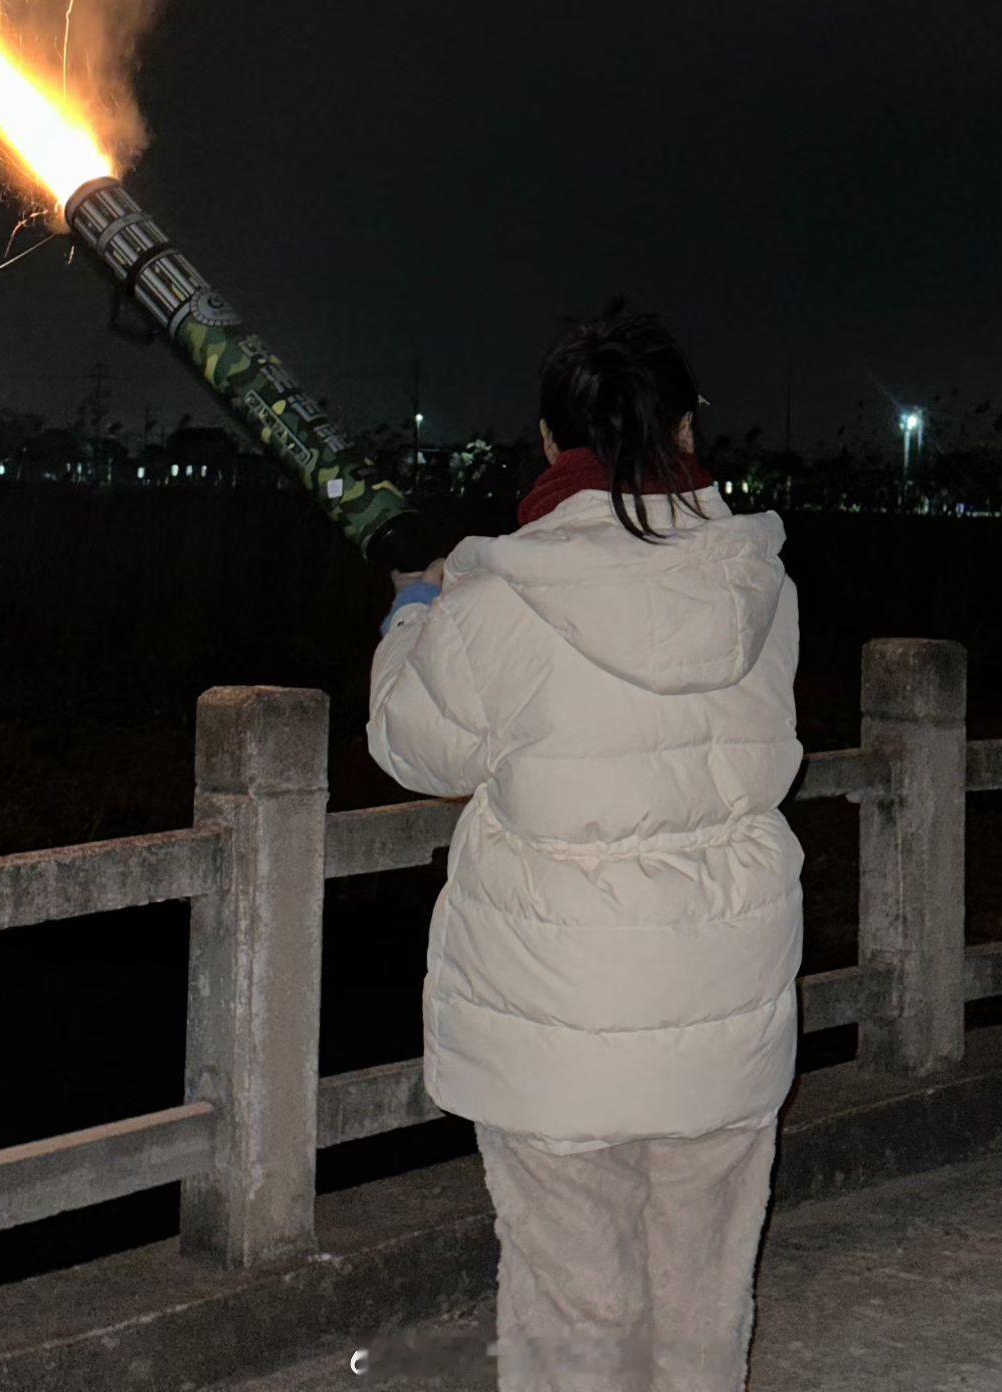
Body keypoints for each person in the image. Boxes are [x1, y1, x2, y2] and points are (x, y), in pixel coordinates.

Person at [367, 299, 803, 1391]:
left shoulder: (503, 599)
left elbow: (412, 747)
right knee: (703, 1307)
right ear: (688, 430)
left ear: (549, 440)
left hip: (557, 1019)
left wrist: (413, 615)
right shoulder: (761, 587)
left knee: (573, 1317)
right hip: (725, 1006)